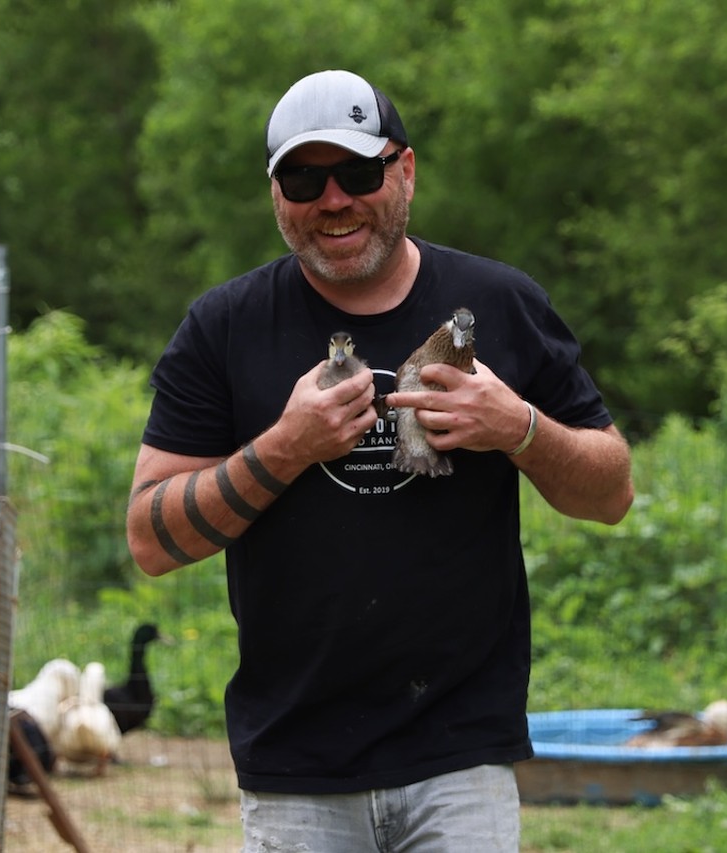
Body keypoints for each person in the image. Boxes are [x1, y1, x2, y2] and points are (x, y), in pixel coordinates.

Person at [126, 69, 634, 852]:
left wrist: (518, 426)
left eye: (357, 172)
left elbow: (611, 492)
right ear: (275, 193)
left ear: (405, 171)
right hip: (296, 763)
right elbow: (151, 540)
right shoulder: (224, 327)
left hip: (460, 753)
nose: (333, 200)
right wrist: (285, 447)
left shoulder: (499, 303)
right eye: (303, 177)